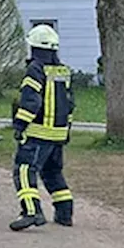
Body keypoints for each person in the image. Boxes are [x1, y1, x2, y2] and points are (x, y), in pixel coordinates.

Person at [10, 23, 75, 231]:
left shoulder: (35, 70)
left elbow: (31, 102)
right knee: (53, 173)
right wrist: (67, 131)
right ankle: (64, 213)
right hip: (58, 133)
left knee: (24, 169)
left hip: (38, 133)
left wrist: (20, 124)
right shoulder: (63, 71)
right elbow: (69, 104)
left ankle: (31, 212)